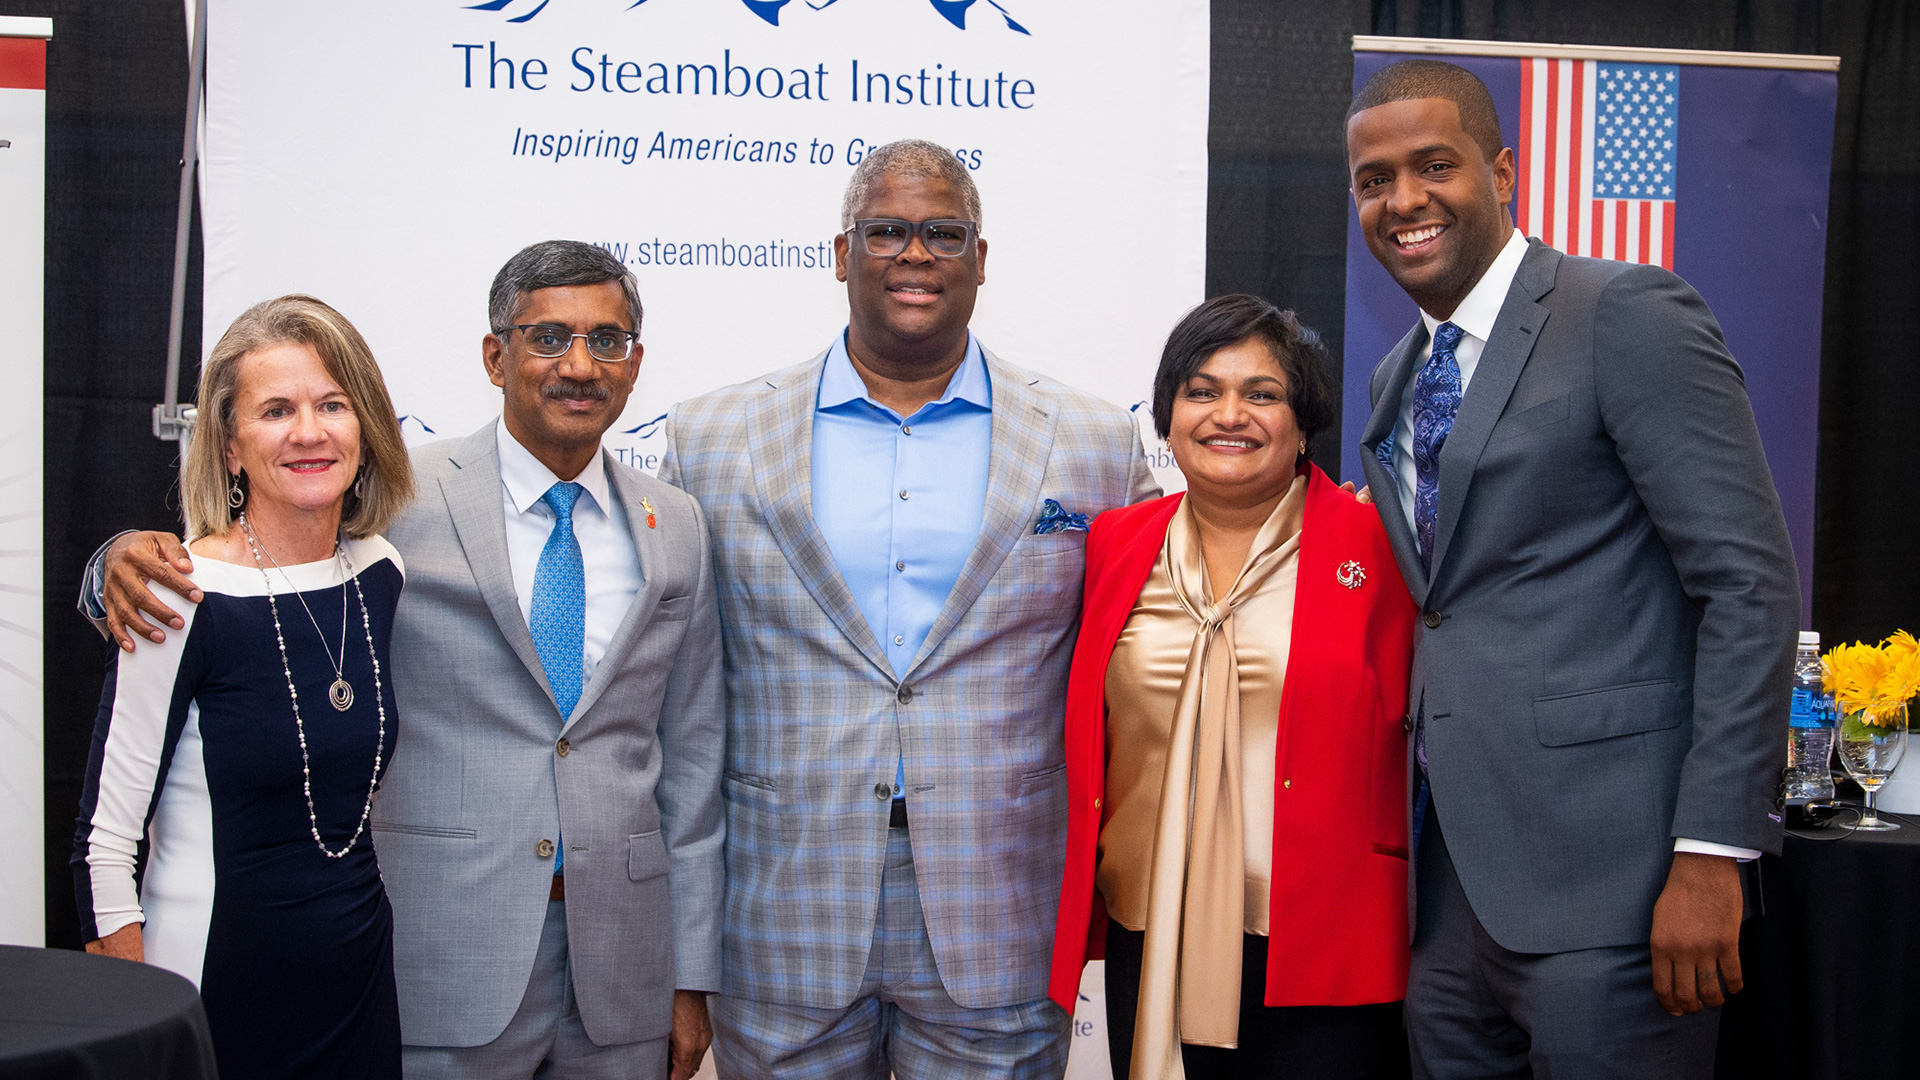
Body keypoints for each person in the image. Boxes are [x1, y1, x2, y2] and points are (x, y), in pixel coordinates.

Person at [82, 241, 725, 1080]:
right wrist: (114, 567)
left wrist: (691, 973)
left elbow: (695, 759)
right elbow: (259, 557)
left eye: (607, 341)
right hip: (445, 963)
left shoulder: (673, 523)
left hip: (621, 967)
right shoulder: (396, 502)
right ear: (495, 356)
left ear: (635, 365)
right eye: (548, 337)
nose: (579, 365)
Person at [660, 139, 1159, 1077]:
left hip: (999, 903)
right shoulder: (712, 435)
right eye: (886, 230)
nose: (915, 254)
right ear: (841, 253)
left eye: (944, 233)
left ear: (982, 258)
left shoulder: (1092, 440)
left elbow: (1135, 664)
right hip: (782, 903)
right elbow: (680, 701)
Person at [1345, 60, 1799, 1077]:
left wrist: (1713, 851)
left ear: (1502, 171)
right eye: (1375, 181)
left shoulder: (1622, 312)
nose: (1404, 200)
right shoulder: (1393, 376)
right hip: (1448, 890)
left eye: (1434, 166)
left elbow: (1749, 585)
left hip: (1622, 887)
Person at [1047, 295, 1417, 1080]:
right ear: (1169, 415)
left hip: (1325, 939)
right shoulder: (1117, 545)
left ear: (1303, 419)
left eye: (1262, 393)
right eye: (1203, 390)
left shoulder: (1377, 544)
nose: (1230, 414)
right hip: (1150, 927)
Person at [73, 295, 415, 1077]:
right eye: (275, 410)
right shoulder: (180, 594)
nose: (308, 431)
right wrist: (136, 1024)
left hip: (357, 975)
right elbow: (103, 840)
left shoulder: (381, 574)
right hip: (206, 984)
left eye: (332, 404)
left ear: (364, 428)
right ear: (229, 446)